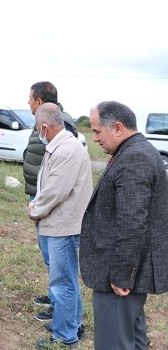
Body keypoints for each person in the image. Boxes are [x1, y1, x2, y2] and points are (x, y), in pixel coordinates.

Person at [81, 101, 168, 350]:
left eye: (97, 131)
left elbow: (132, 224)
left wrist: (121, 276)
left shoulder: (135, 157)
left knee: (114, 343)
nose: (94, 137)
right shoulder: (134, 151)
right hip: (129, 272)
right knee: (132, 338)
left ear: (117, 128)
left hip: (119, 277)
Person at [27, 103, 92, 349]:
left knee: (62, 283)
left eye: (37, 128)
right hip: (59, 224)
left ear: (44, 127)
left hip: (64, 226)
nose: (37, 133)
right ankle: (71, 323)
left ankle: (65, 336)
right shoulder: (61, 145)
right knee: (66, 281)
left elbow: (55, 191)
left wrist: (34, 209)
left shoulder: (67, 149)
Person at [23, 81, 77, 321]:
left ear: (40, 101)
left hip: (51, 202)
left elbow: (61, 178)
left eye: (30, 98)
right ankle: (55, 298)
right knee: (50, 256)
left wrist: (39, 204)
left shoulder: (60, 126)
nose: (27, 102)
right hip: (41, 196)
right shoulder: (42, 124)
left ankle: (61, 309)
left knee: (59, 260)